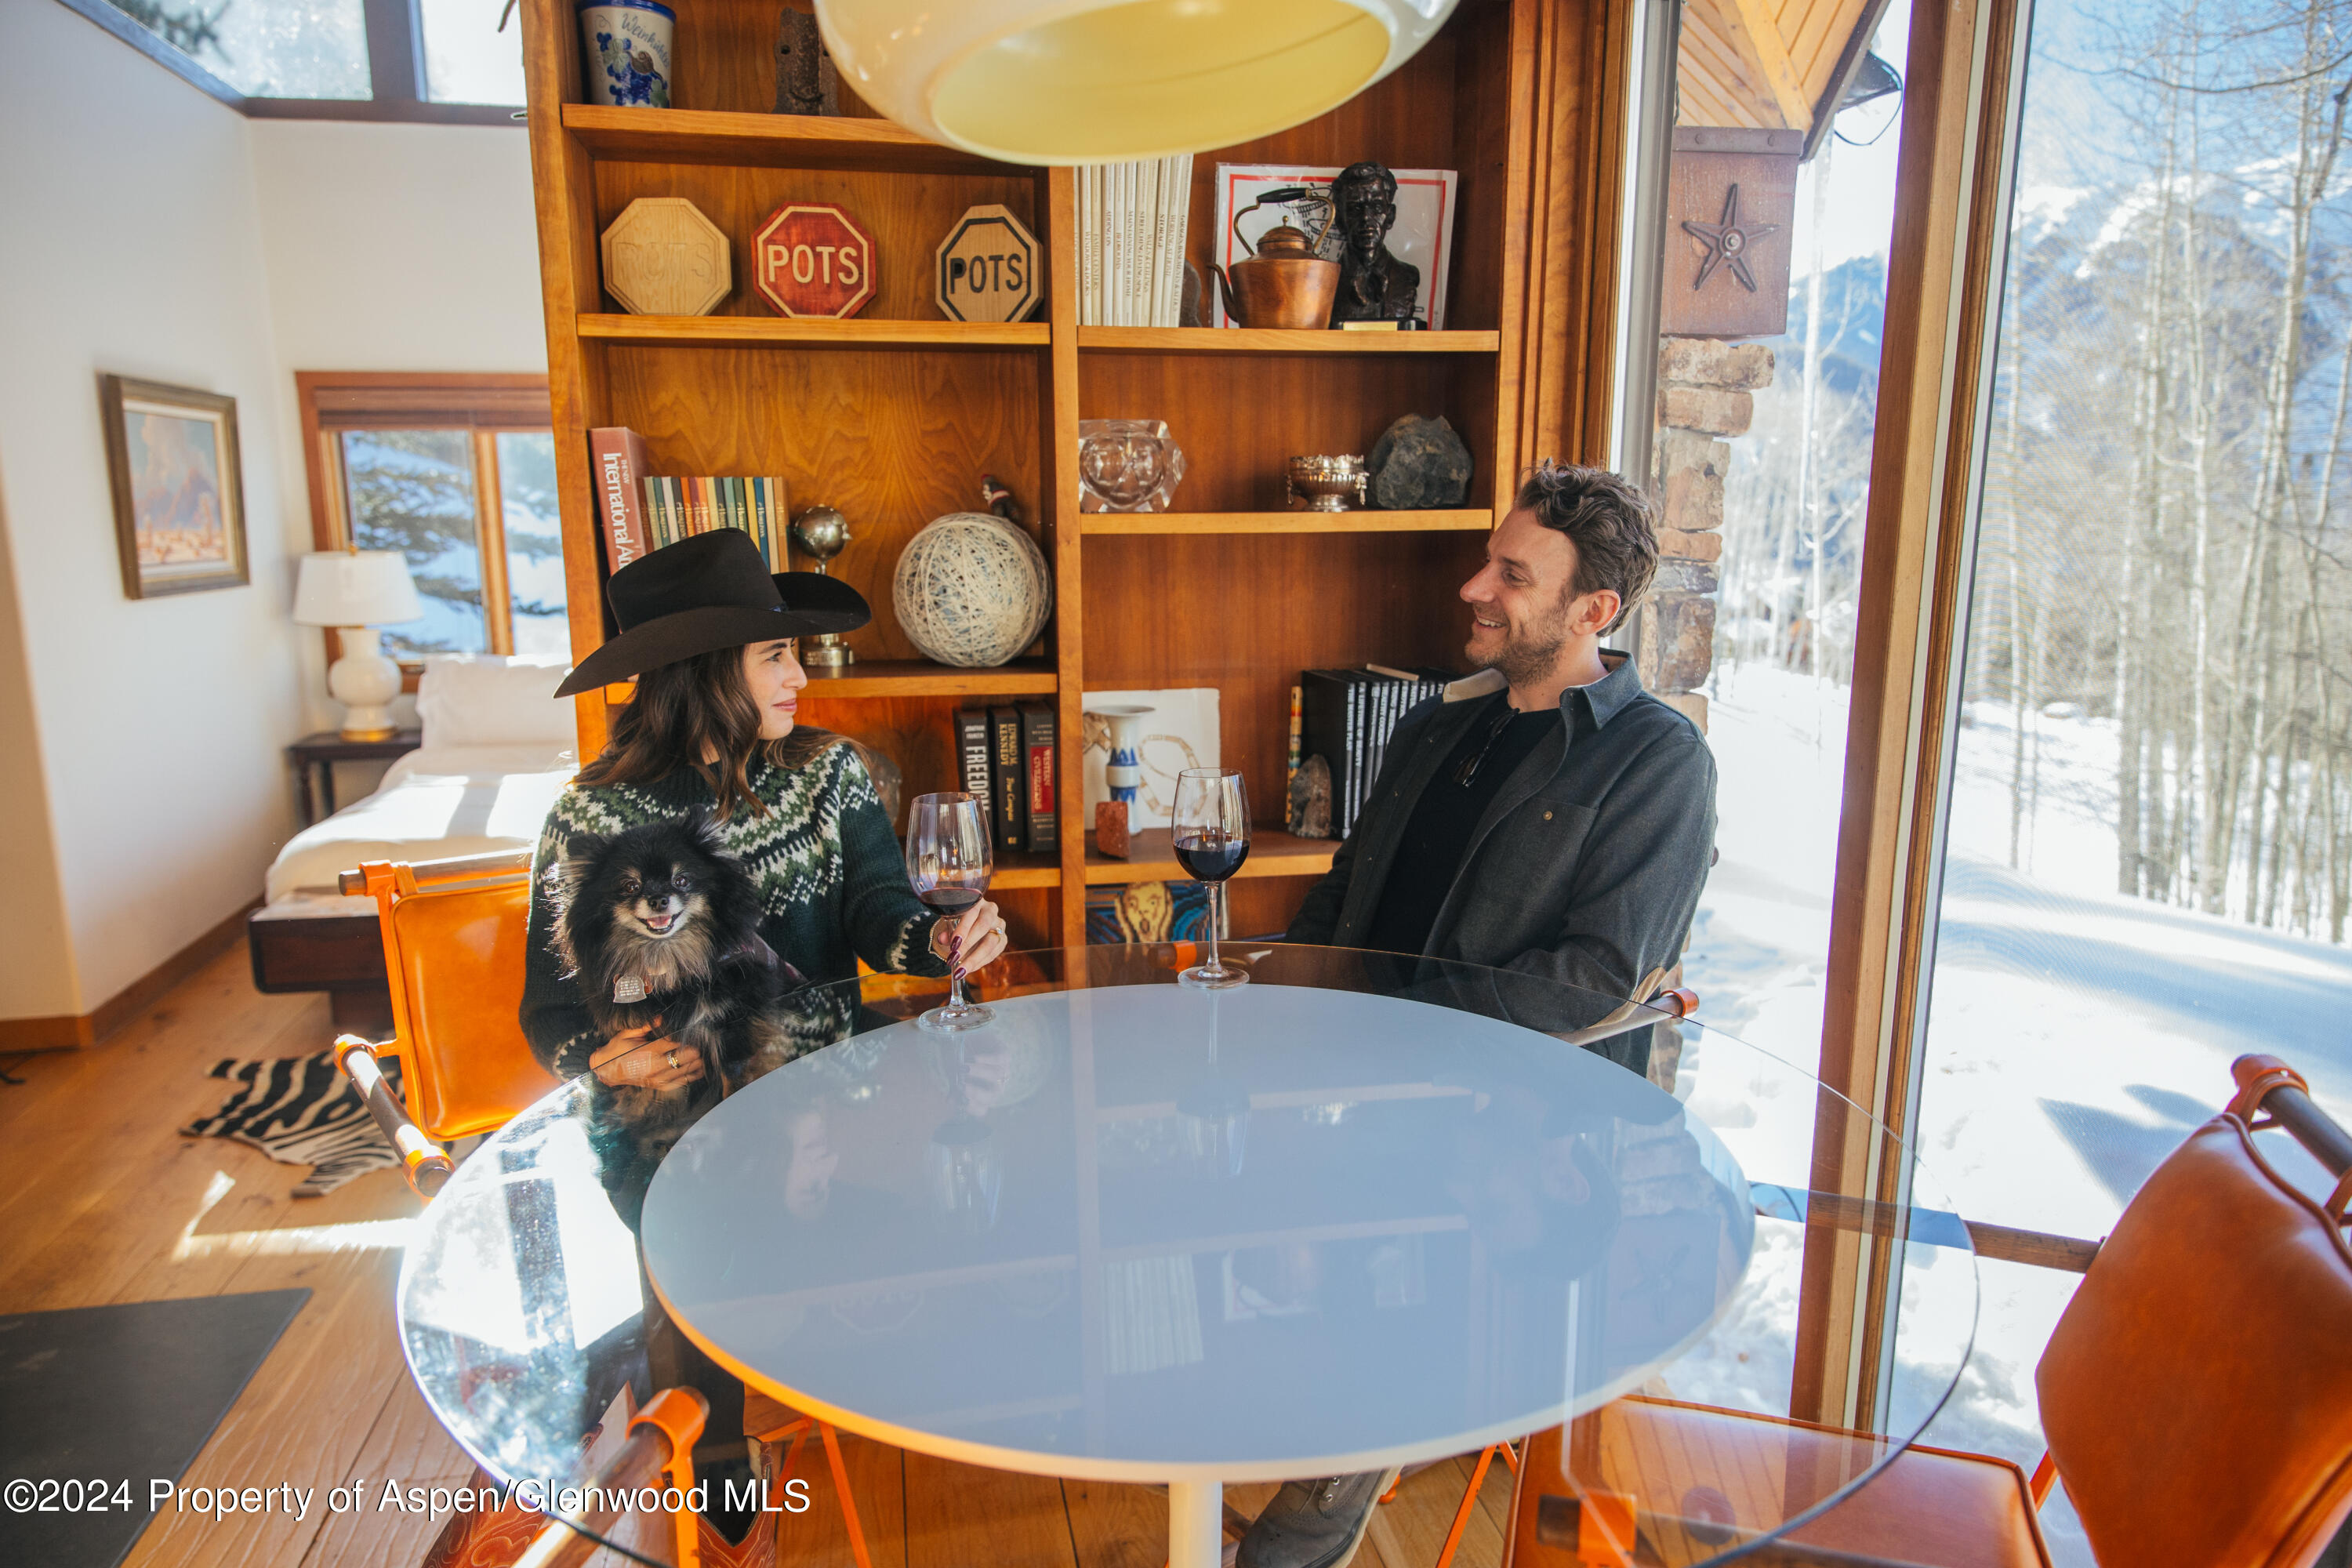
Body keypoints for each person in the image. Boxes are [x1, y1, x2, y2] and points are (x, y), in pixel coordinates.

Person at [1245, 463, 1717, 1568]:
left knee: (1369, 1348)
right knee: (1222, 1227)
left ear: (1593, 610)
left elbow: (1593, 979)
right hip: (1350, 1088)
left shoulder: (1658, 762)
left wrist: (1390, 1037)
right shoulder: (1434, 725)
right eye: (1487, 563)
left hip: (1500, 1127)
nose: (1474, 588)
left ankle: (1294, 1541)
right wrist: (1277, 1003)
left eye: (1511, 573)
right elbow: (1346, 891)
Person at [519, 528, 1010, 1087]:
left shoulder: (828, 771)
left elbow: (879, 910)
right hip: (679, 1120)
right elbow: (550, 1013)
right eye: (775, 655)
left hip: (828, 1093)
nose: (799, 676)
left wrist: (940, 938)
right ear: (704, 670)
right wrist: (611, 1066)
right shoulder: (583, 817)